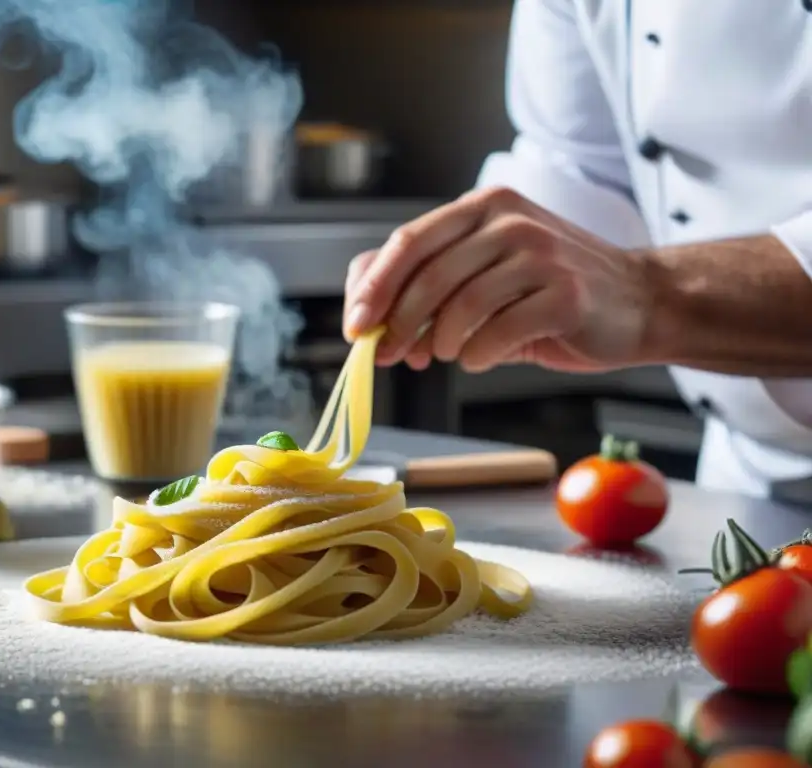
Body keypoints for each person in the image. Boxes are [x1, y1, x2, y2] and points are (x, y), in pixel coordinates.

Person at [342, 1, 812, 500]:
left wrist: (650, 294)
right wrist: (484, 265)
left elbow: (636, 287)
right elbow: (579, 161)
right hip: (742, 484)